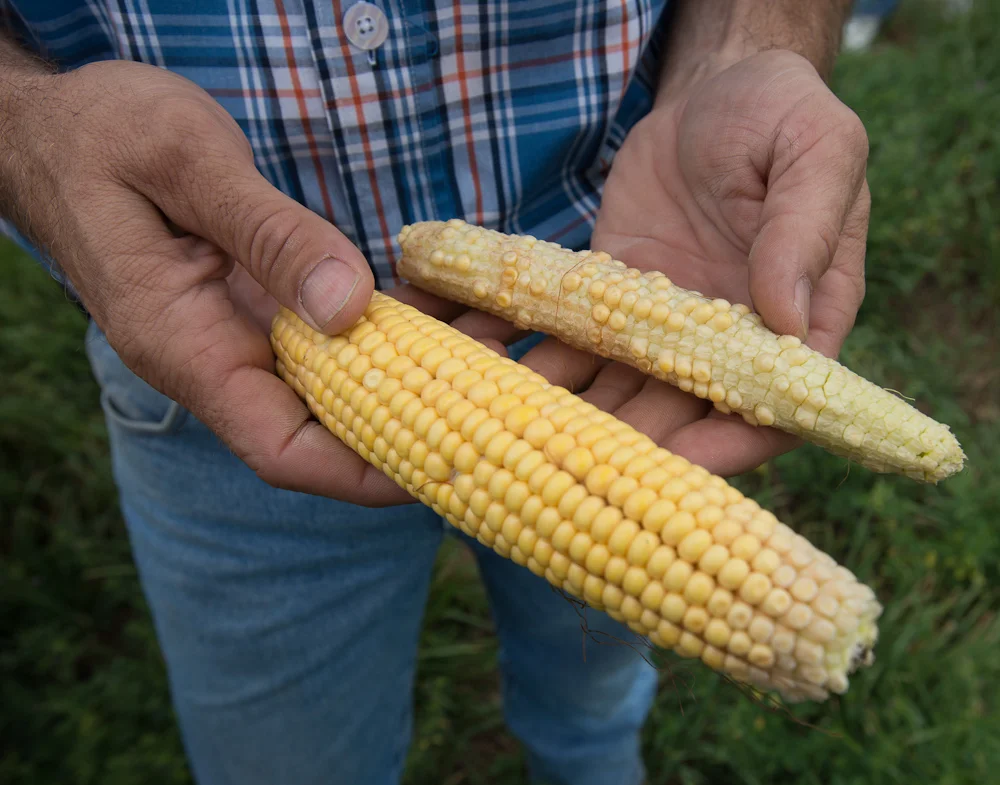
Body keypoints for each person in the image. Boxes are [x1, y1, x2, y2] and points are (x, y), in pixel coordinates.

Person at [0, 1, 870, 783]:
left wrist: (747, 41)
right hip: (214, 327)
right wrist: (23, 123)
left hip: (618, 249)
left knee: (596, 687)